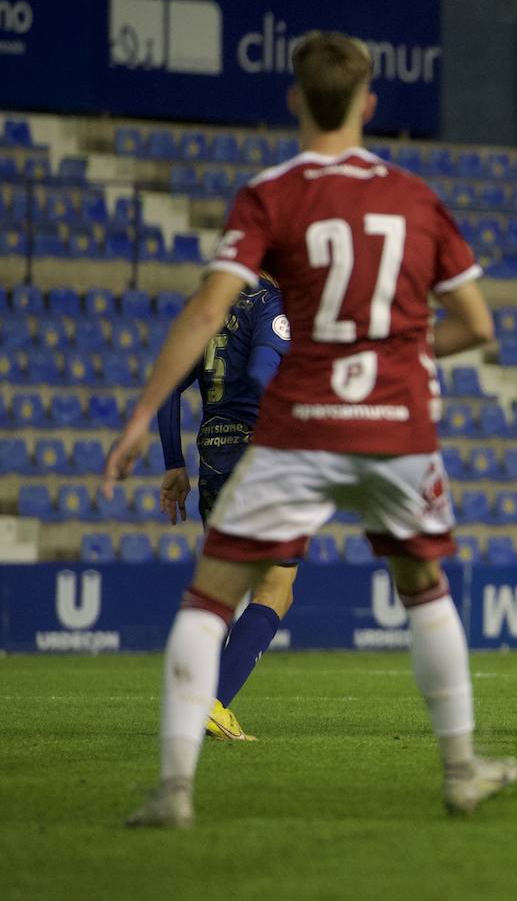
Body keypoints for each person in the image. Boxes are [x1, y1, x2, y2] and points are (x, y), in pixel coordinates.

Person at [106, 31, 516, 827]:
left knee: (208, 598)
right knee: (425, 594)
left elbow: (205, 312)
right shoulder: (413, 194)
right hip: (392, 421)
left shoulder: (270, 193)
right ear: (369, 103)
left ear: (295, 98)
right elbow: (475, 324)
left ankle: (173, 790)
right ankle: (462, 770)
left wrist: (137, 421)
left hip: (294, 427)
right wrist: (398, 351)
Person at [156, 274, 293, 742]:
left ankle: (190, 697)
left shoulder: (207, 304)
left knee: (224, 587)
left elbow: (168, 385)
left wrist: (174, 463)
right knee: (276, 587)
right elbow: (262, 372)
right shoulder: (271, 303)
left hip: (213, 458)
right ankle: (212, 704)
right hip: (259, 459)